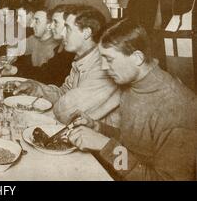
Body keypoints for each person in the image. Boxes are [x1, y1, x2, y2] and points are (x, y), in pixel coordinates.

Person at [67, 20, 197, 181]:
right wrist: (98, 127)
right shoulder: (133, 85)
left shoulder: (176, 107)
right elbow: (136, 143)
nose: (104, 67)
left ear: (137, 58)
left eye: (109, 59)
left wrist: (105, 146)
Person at [15, 5, 120, 125]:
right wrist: (37, 88)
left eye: (68, 29)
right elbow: (64, 93)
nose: (63, 33)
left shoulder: (102, 67)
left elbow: (67, 110)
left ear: (86, 33)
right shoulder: (81, 59)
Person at [22, 4, 76, 86]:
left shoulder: (68, 51)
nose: (51, 26)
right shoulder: (61, 49)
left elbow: (48, 79)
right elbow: (46, 74)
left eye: (56, 22)